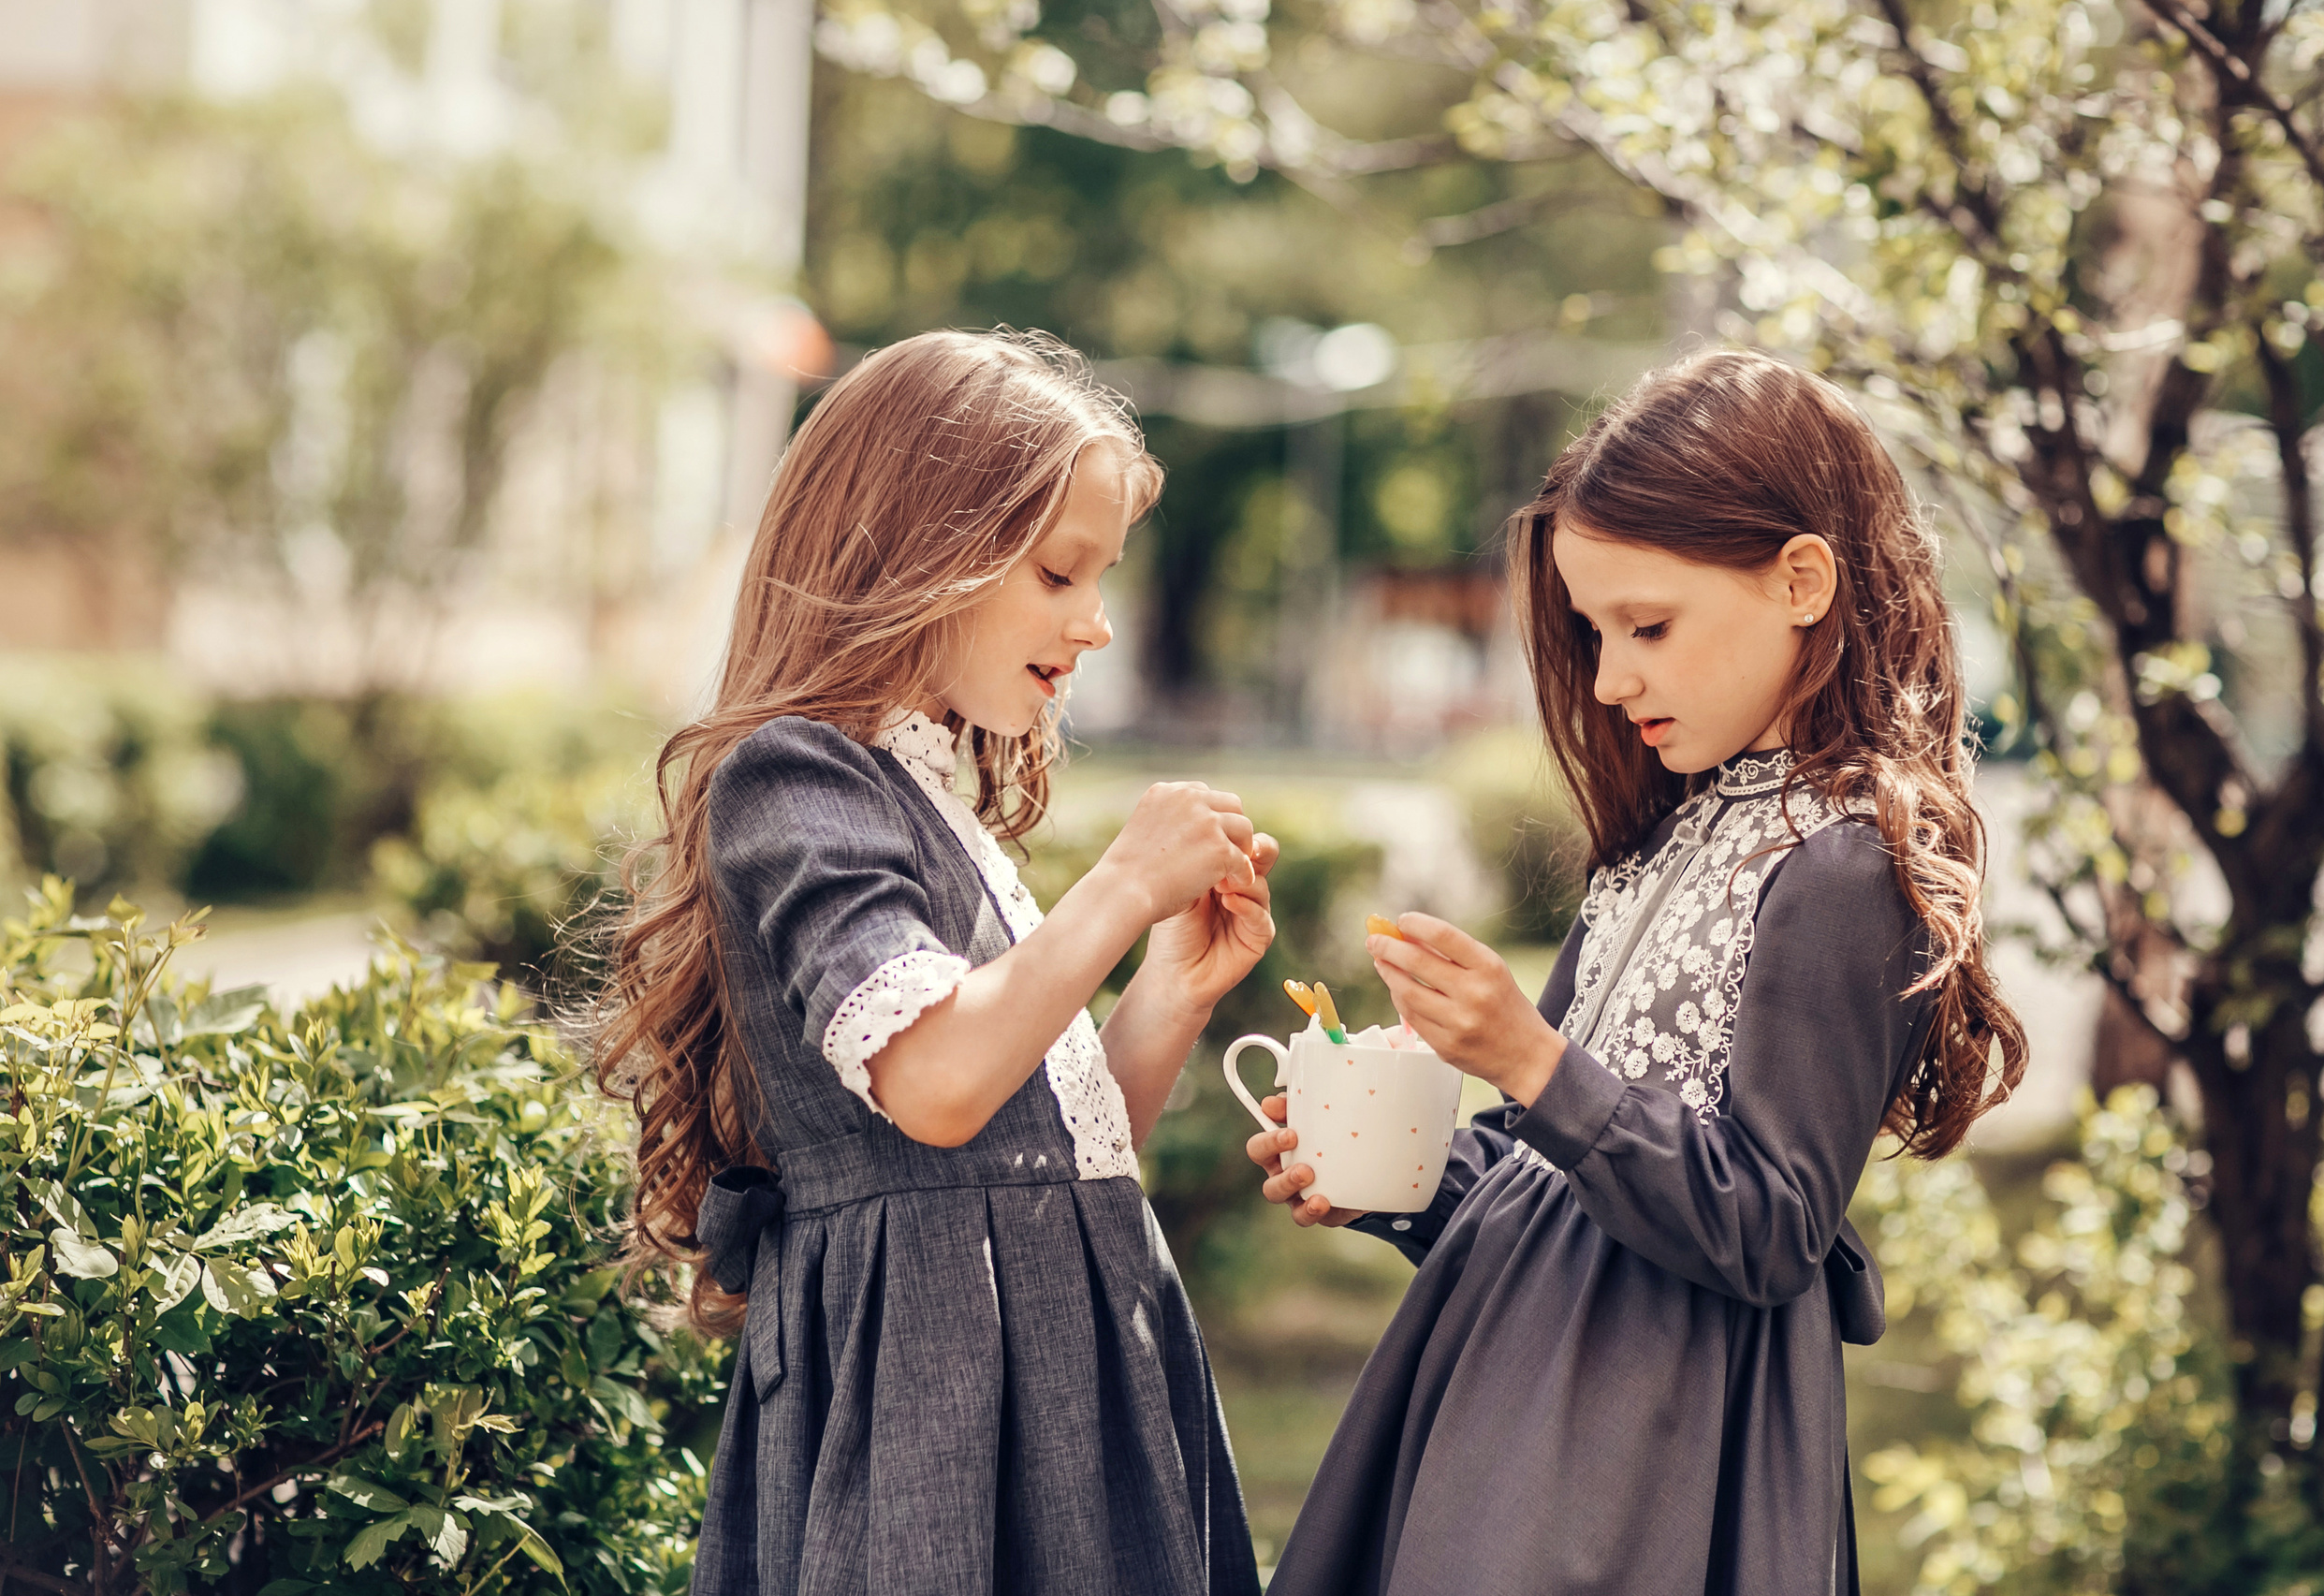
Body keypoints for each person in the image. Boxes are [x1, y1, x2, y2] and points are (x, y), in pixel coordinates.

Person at [1248, 349, 2026, 1595]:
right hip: (1501, 1388)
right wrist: (1392, 1177)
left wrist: (1530, 1056)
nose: (1610, 680)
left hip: (1647, 1453)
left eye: (1647, 626)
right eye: (1595, 632)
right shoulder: (1672, 824)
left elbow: (1772, 1223)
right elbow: (1553, 1175)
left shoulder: (1842, 866)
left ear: (1802, 581)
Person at [594, 329, 1274, 1595]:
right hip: (935, 1404)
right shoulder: (797, 777)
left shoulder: (935, 791)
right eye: (1062, 572)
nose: (1100, 621)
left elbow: (1024, 1153)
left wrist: (1168, 989)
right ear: (922, 553)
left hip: (1056, 1384)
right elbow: (937, 1084)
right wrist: (1120, 886)